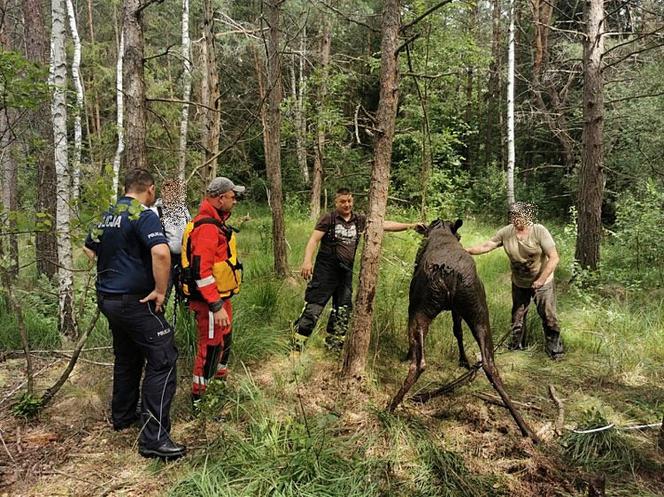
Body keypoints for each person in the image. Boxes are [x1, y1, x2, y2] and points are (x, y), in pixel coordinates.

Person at [83, 169, 185, 460]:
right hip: (136, 301)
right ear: (150, 189)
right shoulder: (143, 214)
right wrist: (161, 291)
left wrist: (114, 265)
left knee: (127, 355)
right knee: (163, 358)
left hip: (108, 298)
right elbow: (162, 253)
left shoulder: (109, 214)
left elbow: (89, 250)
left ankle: (124, 415)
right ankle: (155, 439)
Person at [294, 187, 422, 350]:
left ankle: (333, 348)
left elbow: (384, 225)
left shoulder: (359, 220)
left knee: (342, 311)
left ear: (352, 200)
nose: (346, 204)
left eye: (349, 201)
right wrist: (307, 261)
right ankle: (296, 347)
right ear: (336, 202)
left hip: (345, 274)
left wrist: (410, 226)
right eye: (342, 201)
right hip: (324, 273)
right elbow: (313, 240)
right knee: (314, 309)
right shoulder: (329, 218)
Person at [465, 202, 564, 359]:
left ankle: (555, 351)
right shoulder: (506, 232)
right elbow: (487, 245)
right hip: (519, 282)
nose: (516, 219)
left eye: (519, 216)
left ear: (527, 215)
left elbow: (554, 258)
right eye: (512, 216)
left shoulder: (539, 231)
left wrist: (541, 279)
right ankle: (516, 346)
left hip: (542, 282)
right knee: (517, 318)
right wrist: (466, 251)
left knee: (548, 316)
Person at [184, 176, 245, 401]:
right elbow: (202, 271)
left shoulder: (216, 222)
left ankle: (218, 389)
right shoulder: (207, 227)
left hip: (220, 298)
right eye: (232, 196)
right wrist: (215, 305)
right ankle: (201, 401)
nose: (235, 200)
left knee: (224, 341)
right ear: (220, 199)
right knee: (210, 347)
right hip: (209, 302)